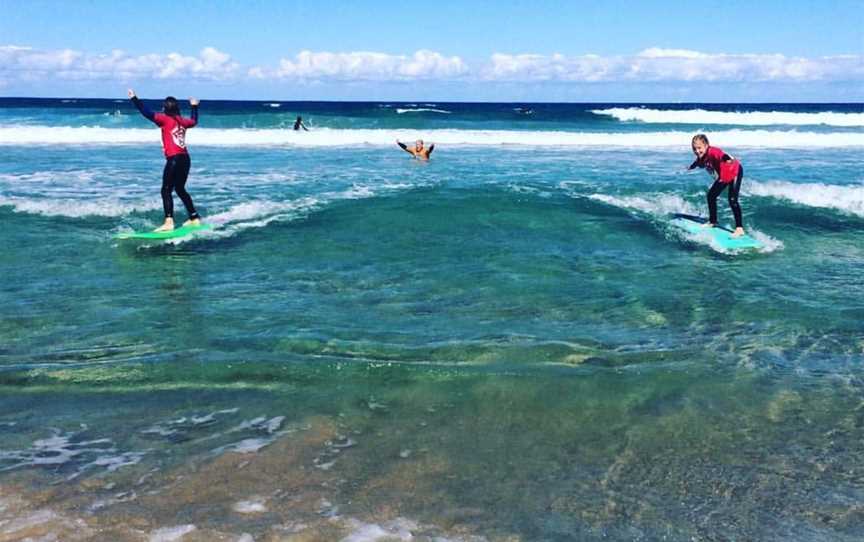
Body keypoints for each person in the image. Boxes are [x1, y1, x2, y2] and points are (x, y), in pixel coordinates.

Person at [128, 89, 202, 232]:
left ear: (165, 108)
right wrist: (194, 106)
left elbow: (146, 112)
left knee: (166, 190)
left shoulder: (164, 119)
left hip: (174, 159)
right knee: (180, 189)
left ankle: (169, 222)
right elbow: (194, 121)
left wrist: (134, 98)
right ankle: (194, 217)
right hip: (185, 158)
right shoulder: (183, 121)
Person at [688, 134, 745, 237]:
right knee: (711, 195)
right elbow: (697, 162)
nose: (697, 151)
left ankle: (739, 228)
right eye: (694, 149)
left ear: (706, 145)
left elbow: (722, 155)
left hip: (735, 170)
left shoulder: (713, 151)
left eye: (699, 148)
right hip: (724, 175)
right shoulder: (701, 157)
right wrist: (691, 167)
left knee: (732, 200)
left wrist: (727, 159)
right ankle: (713, 221)